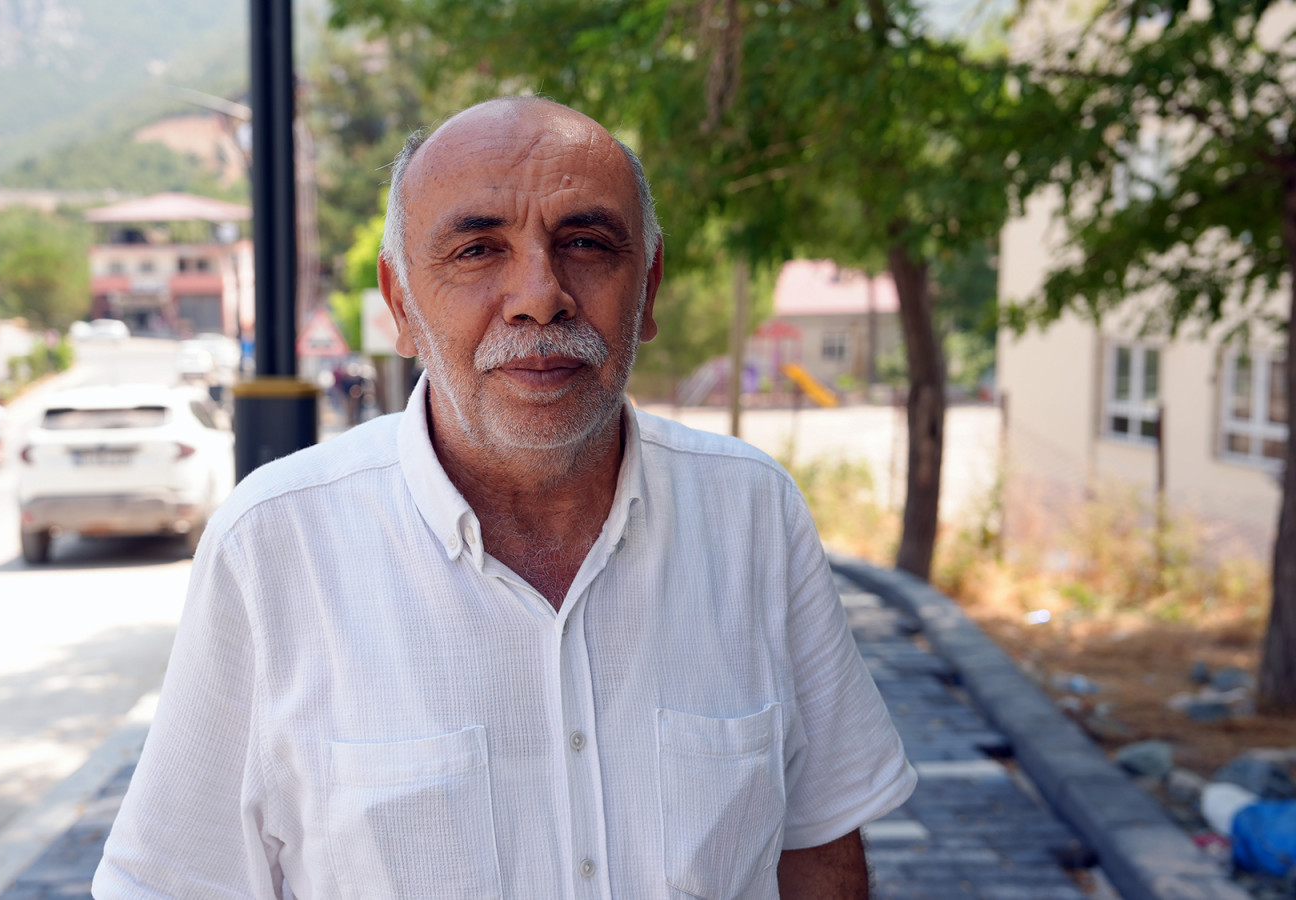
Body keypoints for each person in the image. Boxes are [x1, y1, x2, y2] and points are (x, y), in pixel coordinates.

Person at [93, 97, 915, 899]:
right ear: (400, 303)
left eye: (586, 243)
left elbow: (818, 847)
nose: (539, 294)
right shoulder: (274, 545)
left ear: (650, 286)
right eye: (477, 250)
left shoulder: (752, 514)